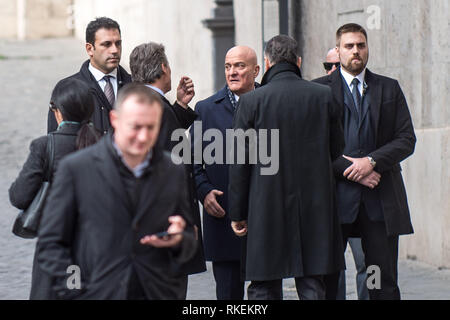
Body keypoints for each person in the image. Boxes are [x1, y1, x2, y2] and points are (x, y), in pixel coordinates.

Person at [37, 83, 197, 300]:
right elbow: (51, 243)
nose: (143, 137)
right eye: (135, 127)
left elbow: (188, 236)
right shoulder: (77, 169)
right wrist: (76, 291)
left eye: (151, 127)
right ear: (115, 120)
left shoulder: (172, 170)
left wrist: (179, 239)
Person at [228, 35, 345, 300]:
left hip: (264, 208)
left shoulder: (250, 102)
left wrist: (237, 212)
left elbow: (239, 163)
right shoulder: (323, 96)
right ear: (299, 61)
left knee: (262, 287)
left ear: (267, 63)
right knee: (313, 284)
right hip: (315, 207)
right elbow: (337, 148)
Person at [313, 23, 416, 300]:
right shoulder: (318, 91)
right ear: (338, 50)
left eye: (361, 45)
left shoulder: (389, 88)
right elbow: (312, 145)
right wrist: (354, 170)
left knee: (379, 281)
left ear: (367, 48)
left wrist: (371, 161)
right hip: (333, 202)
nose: (355, 51)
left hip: (378, 201)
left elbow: (406, 139)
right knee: (328, 282)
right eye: (349, 46)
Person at [9, 78, 101, 299]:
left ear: (56, 111)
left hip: (55, 251)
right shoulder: (104, 145)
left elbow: (19, 197)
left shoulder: (45, 146)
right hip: (95, 252)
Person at [129, 42, 206, 298]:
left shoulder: (139, 104)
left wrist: (180, 108)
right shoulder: (156, 108)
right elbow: (174, 172)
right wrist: (187, 221)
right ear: (163, 67)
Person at [191, 45, 260, 300]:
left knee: (266, 292)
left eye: (239, 66)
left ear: (256, 70)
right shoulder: (206, 109)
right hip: (222, 214)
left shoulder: (271, 102)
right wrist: (204, 191)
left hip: (265, 217)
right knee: (229, 294)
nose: (232, 72)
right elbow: (192, 161)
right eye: (228, 66)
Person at [323, 46, 369, 300]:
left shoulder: (367, 92)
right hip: (331, 197)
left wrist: (368, 166)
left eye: (335, 66)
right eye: (327, 66)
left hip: (365, 196)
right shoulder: (319, 94)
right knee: (332, 268)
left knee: (368, 265)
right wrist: (355, 168)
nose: (332, 71)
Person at [47, 17, 131, 134]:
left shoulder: (136, 86)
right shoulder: (67, 91)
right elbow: (57, 143)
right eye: (106, 44)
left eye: (118, 43)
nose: (114, 50)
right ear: (89, 49)